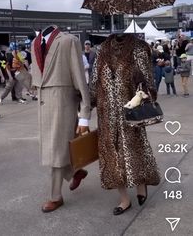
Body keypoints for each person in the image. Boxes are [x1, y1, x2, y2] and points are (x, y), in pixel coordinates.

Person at [90, 33, 160, 216]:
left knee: (135, 150)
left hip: (130, 112)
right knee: (112, 157)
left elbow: (148, 81)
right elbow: (94, 82)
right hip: (106, 114)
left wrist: (141, 89)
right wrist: (87, 103)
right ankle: (124, 199)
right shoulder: (102, 50)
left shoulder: (138, 48)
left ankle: (141, 183)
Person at [31, 25, 91, 213]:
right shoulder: (35, 43)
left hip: (63, 104)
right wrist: (20, 72)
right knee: (52, 150)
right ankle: (75, 172)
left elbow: (80, 78)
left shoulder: (68, 40)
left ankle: (55, 197)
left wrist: (84, 115)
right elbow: (35, 82)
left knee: (55, 153)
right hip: (42, 106)